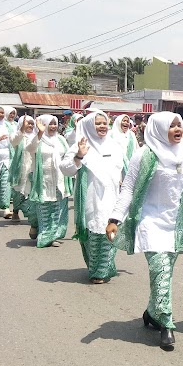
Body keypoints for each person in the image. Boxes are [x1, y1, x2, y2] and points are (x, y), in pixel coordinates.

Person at [107, 112, 183, 349]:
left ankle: (151, 312)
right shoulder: (144, 155)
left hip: (175, 224)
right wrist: (115, 217)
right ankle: (166, 324)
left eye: (180, 125)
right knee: (161, 270)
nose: (178, 129)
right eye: (172, 126)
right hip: (151, 222)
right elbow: (128, 189)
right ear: (158, 129)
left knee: (163, 276)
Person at [60, 111, 125, 283]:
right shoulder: (79, 145)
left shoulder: (115, 145)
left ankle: (100, 270)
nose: (103, 126)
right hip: (90, 198)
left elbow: (121, 168)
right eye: (98, 123)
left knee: (110, 231)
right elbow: (66, 169)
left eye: (105, 123)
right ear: (89, 126)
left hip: (112, 197)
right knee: (93, 233)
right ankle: (96, 267)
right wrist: (79, 155)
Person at [28, 115, 73, 248]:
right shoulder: (37, 139)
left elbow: (68, 155)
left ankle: (52, 236)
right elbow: (30, 149)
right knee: (44, 208)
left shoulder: (60, 139)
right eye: (50, 124)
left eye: (55, 124)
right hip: (43, 181)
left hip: (59, 180)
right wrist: (40, 133)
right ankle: (43, 235)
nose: (53, 126)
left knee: (57, 210)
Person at [9, 115, 38, 228]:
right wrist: (22, 129)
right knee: (18, 193)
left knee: (31, 193)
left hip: (33, 168)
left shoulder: (37, 137)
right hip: (20, 170)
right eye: (27, 123)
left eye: (31, 123)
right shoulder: (17, 136)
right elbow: (14, 141)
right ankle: (15, 211)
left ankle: (32, 216)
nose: (29, 125)